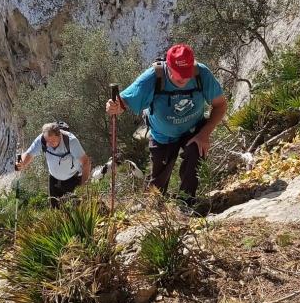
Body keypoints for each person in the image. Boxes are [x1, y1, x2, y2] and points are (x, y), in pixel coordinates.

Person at [105, 43, 227, 206]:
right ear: (168, 67)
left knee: (196, 152)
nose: (183, 79)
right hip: (163, 135)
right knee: (158, 182)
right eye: (178, 75)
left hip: (193, 130)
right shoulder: (152, 78)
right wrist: (113, 106)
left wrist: (204, 134)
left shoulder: (201, 73)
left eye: (186, 73)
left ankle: (186, 203)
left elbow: (220, 105)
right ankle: (153, 208)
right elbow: (123, 103)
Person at [17, 122, 91, 208]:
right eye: (47, 141)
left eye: (52, 141)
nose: (48, 144)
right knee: (55, 210)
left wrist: (83, 187)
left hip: (73, 180)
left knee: (74, 210)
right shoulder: (42, 139)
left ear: (59, 135)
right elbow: (28, 154)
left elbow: (86, 162)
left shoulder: (71, 141)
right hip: (54, 180)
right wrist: (21, 163)